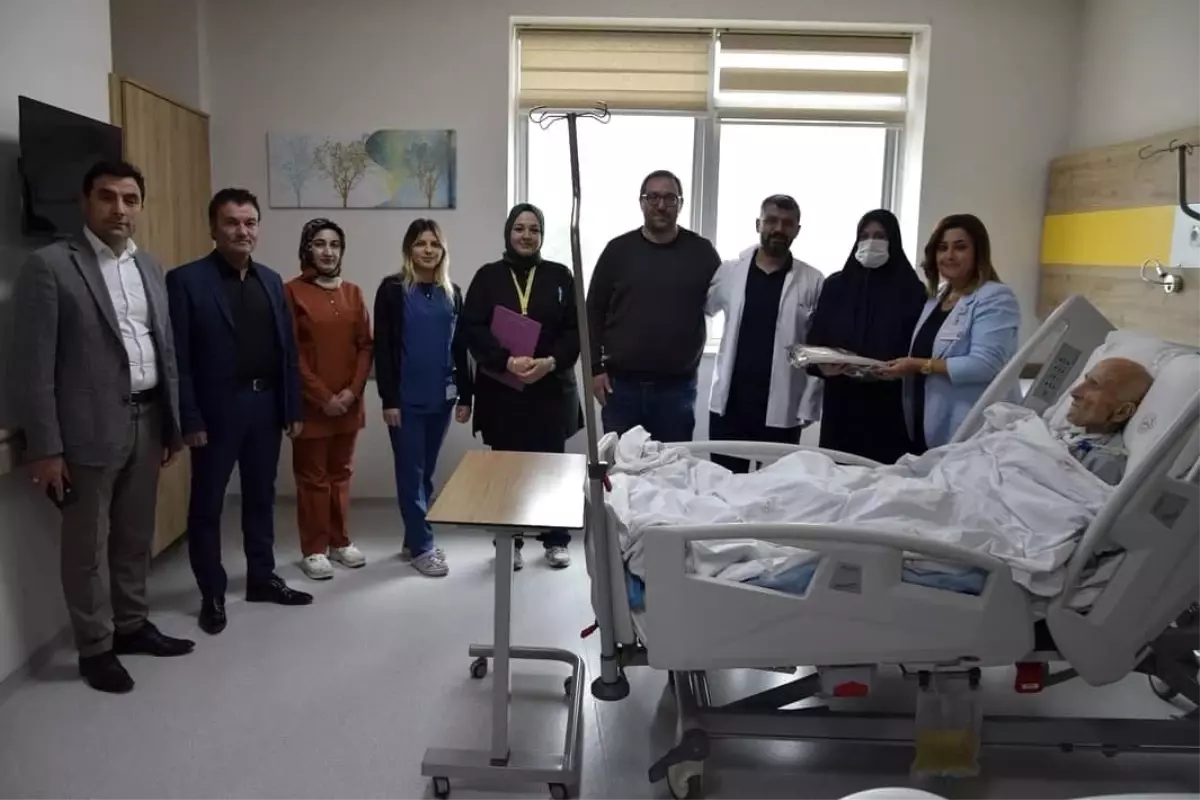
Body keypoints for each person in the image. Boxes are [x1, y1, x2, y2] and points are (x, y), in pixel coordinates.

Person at [10, 160, 193, 693]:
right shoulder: (50, 266)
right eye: (107, 197)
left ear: (141, 206)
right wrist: (45, 448)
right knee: (86, 547)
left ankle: (132, 625)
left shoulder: (149, 266)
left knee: (135, 537)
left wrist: (172, 425)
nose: (120, 208)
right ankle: (95, 646)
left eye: (130, 199)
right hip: (84, 433)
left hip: (149, 419)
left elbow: (163, 349)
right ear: (85, 202)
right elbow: (33, 366)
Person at [167, 188, 312, 637]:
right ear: (213, 228)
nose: (242, 231)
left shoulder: (271, 280)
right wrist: (189, 417)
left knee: (261, 498)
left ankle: (262, 578)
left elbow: (287, 351)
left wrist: (292, 406)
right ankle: (211, 592)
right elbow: (179, 358)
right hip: (215, 413)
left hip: (264, 406)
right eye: (231, 222)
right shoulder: (186, 281)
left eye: (250, 222)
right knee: (208, 505)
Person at [459, 203, 582, 569]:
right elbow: (471, 328)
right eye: (519, 228)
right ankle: (508, 541)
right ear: (508, 233)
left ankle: (555, 539)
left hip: (550, 387)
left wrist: (550, 362)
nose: (526, 235)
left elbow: (576, 330)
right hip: (503, 389)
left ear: (541, 235)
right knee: (506, 469)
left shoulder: (560, 276)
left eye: (534, 229)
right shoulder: (487, 276)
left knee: (551, 467)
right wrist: (505, 361)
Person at [586, 169, 722, 442]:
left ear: (680, 204)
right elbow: (592, 312)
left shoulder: (702, 252)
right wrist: (594, 369)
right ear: (642, 202)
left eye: (670, 198)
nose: (661, 205)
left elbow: (724, 299)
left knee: (674, 464)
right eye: (653, 197)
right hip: (620, 388)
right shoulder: (617, 251)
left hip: (676, 390)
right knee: (622, 465)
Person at [373, 218, 472, 578]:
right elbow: (383, 348)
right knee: (409, 473)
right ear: (409, 249)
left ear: (443, 250)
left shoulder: (452, 293)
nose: (428, 250)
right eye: (420, 243)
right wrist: (389, 399)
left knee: (426, 474)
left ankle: (413, 536)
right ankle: (422, 547)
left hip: (441, 399)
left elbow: (460, 348)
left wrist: (466, 395)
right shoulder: (392, 290)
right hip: (405, 401)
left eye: (434, 244)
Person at [878, 214, 1021, 452]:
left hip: (971, 427)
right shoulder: (938, 298)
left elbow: (985, 365)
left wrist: (917, 365)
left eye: (960, 247)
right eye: (942, 248)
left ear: (978, 252)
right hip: (927, 422)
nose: (949, 255)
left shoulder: (995, 297)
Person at [706, 194, 824, 473]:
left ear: (797, 230)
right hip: (731, 406)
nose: (778, 229)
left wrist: (809, 403)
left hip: (783, 406)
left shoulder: (813, 280)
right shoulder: (730, 272)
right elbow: (703, 308)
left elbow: (818, 347)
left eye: (787, 223)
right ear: (758, 224)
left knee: (774, 488)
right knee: (724, 484)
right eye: (771, 221)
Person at [284, 218, 373, 581]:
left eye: (334, 244)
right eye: (319, 244)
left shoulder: (353, 292)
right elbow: (291, 353)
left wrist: (351, 392)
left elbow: (365, 346)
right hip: (311, 407)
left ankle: (340, 541)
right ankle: (314, 548)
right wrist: (323, 397)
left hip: (349, 405)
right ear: (307, 249)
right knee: (313, 479)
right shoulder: (292, 292)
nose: (327, 251)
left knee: (341, 474)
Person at [805, 209, 927, 464]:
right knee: (837, 476)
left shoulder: (912, 291)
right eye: (864, 236)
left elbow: (922, 350)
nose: (871, 242)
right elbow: (815, 342)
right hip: (841, 405)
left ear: (893, 241)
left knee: (885, 478)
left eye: (880, 236)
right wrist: (822, 367)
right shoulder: (836, 286)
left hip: (889, 407)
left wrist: (900, 369)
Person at [1057, 357, 1153, 485]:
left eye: (1094, 385)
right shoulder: (1069, 434)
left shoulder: (1105, 462)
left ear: (1121, 412)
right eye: (1086, 380)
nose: (1074, 392)